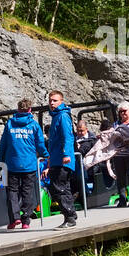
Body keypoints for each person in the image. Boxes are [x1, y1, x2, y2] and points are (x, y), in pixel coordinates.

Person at [0, 98, 47, 229]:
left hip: (12, 164)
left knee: (12, 192)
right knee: (27, 192)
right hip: (29, 164)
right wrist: (46, 155)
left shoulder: (9, 124)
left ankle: (14, 219)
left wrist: (1, 162)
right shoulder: (34, 125)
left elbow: (3, 144)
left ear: (18, 109)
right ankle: (26, 220)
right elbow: (40, 145)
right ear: (30, 110)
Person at [44, 90, 78, 228]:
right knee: (64, 188)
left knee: (58, 188)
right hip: (57, 159)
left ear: (62, 101)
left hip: (63, 159)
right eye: (50, 100)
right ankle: (71, 214)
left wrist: (67, 154)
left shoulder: (63, 116)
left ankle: (69, 218)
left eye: (55, 100)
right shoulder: (56, 116)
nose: (52, 103)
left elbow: (67, 136)